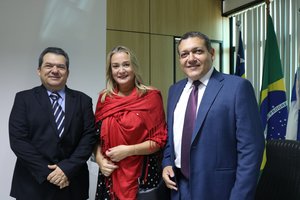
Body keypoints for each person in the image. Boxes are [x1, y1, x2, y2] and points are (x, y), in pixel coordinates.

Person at [162, 31, 265, 200]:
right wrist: (166, 163)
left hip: (220, 191)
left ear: (212, 53)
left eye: (198, 51)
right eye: (184, 54)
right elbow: (171, 138)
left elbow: (251, 150)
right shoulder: (175, 90)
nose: (191, 58)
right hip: (179, 188)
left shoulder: (237, 88)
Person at [9, 47, 97, 200]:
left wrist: (66, 169)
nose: (55, 70)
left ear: (67, 72)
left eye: (61, 67)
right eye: (48, 66)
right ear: (39, 70)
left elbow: (88, 138)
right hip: (33, 185)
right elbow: (18, 140)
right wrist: (49, 173)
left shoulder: (83, 101)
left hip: (72, 183)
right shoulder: (23, 99)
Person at [94, 45, 168, 200]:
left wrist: (128, 150)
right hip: (110, 177)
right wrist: (100, 161)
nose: (121, 70)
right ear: (110, 70)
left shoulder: (151, 96)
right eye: (116, 66)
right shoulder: (104, 98)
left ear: (134, 67)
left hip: (142, 176)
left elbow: (159, 140)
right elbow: (95, 138)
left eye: (126, 64)